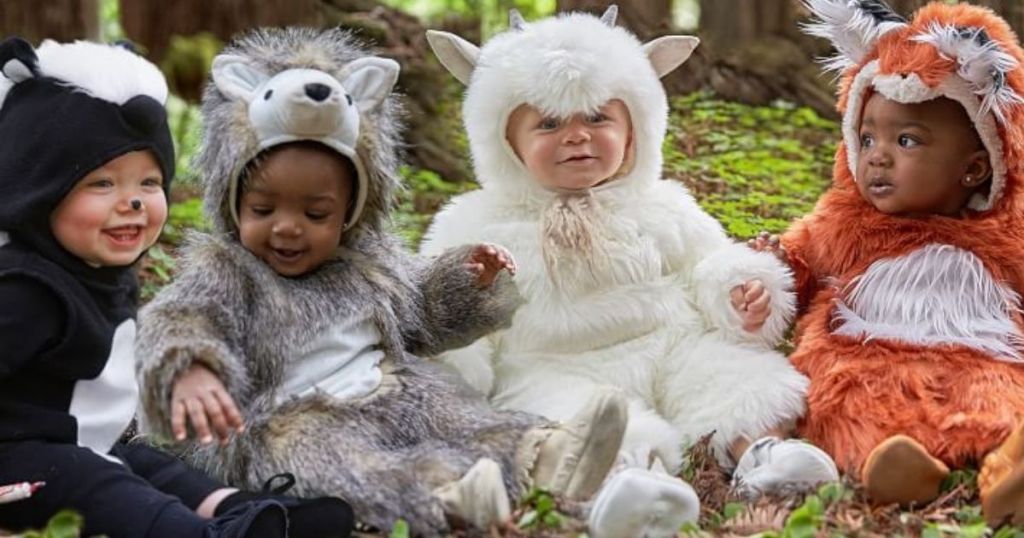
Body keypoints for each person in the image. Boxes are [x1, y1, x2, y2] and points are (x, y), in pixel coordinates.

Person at [134, 27, 644, 536]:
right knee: (336, 462)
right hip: (281, 419)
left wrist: (466, 280)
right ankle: (446, 496)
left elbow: (420, 310)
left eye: (316, 213)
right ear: (232, 201)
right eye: (263, 209)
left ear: (351, 215)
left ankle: (547, 457)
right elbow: (178, 318)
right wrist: (190, 368)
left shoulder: (367, 265)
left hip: (390, 393)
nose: (286, 227)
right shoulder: (225, 271)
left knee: (456, 415)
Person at [422, 7, 838, 534]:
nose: (577, 136)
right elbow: (451, 305)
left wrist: (738, 288)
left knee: (736, 378)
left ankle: (763, 455)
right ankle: (629, 485)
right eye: (549, 123)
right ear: (505, 141)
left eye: (597, 117)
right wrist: (457, 363)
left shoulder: (661, 205)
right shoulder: (476, 222)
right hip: (554, 365)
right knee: (579, 422)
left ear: (636, 126)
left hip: (669, 345)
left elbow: (706, 263)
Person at [0, 36, 353, 537]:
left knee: (148, 463)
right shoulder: (26, 290)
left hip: (77, 441)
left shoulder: (94, 271)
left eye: (148, 183)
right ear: (36, 190)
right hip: (19, 463)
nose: (134, 203)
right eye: (102, 184)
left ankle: (240, 509)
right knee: (100, 482)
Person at [761, 0, 1024, 526]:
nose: (877, 156)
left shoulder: (1004, 234)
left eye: (907, 140)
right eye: (866, 138)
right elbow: (800, 260)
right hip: (867, 353)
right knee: (842, 402)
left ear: (975, 168)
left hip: (982, 358)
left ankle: (1005, 472)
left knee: (1005, 402)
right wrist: (768, 269)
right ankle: (897, 467)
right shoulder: (849, 222)